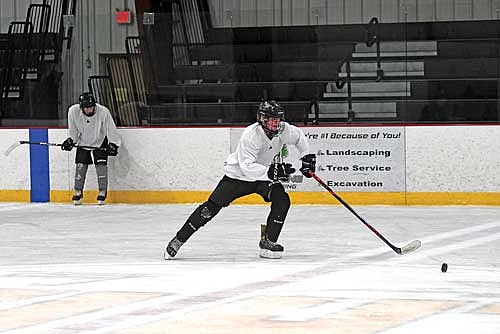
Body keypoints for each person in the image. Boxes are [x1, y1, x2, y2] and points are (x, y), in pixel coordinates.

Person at [164, 100, 316, 259]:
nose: (276, 123)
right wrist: (272, 172)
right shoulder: (251, 135)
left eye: (277, 119)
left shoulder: (283, 130)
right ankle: (178, 239)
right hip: (238, 177)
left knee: (282, 200)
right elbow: (247, 167)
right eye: (272, 119)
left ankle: (269, 242)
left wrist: (305, 157)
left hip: (262, 177)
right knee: (209, 209)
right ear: (262, 119)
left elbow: (298, 137)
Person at [61, 92, 121, 205]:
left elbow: (111, 129)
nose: (89, 110)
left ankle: (102, 191)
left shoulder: (103, 112)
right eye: (86, 108)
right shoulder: (73, 112)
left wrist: (113, 144)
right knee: (80, 166)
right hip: (83, 141)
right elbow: (73, 131)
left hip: (100, 140)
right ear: (81, 107)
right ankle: (78, 191)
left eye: (91, 107)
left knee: (101, 167)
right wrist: (71, 141)